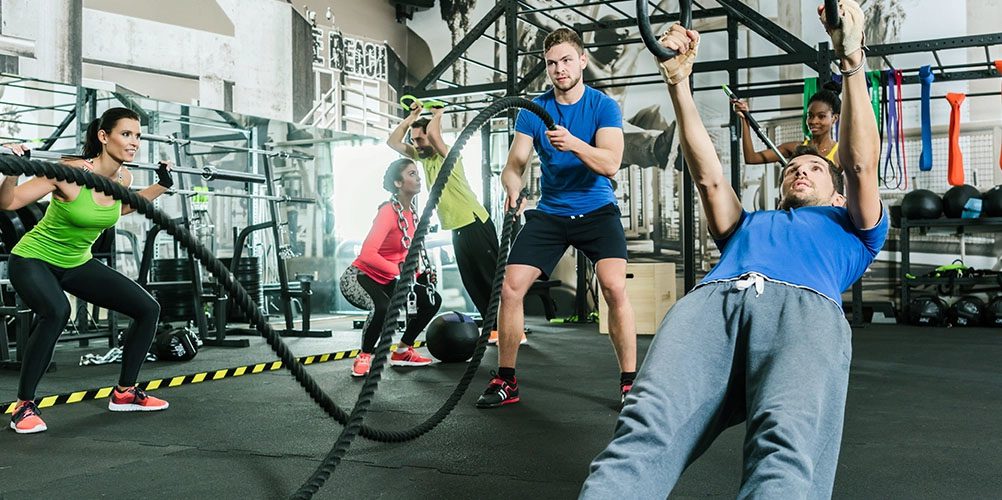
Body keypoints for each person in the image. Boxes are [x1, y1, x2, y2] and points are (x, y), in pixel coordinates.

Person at [581, 2, 887, 497]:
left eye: (815, 168)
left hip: (804, 312)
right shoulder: (748, 223)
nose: (800, 168)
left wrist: (851, 57)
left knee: (783, 450)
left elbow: (859, 165)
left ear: (836, 194)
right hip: (713, 303)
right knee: (641, 431)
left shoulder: (856, 225)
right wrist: (679, 83)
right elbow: (707, 174)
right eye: (794, 167)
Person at [476, 27, 637, 409]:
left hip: (598, 209)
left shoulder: (603, 106)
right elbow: (513, 165)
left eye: (566, 60)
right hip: (551, 212)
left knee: (613, 286)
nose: (559, 69)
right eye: (552, 63)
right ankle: (507, 380)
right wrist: (512, 185)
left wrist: (576, 144)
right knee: (511, 288)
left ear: (582, 60)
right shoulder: (535, 110)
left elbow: (612, 163)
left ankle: (630, 384)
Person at [3, 107, 175, 434]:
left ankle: (124, 393)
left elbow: (120, 208)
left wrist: (161, 186)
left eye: (137, 135)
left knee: (147, 308)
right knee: (56, 311)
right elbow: (10, 202)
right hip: (33, 259)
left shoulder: (124, 177)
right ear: (103, 137)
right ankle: (23, 407)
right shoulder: (69, 172)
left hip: (77, 262)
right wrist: (13, 171)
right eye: (126, 134)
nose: (134, 142)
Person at [386, 104, 517, 344]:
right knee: (472, 282)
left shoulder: (449, 155)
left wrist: (437, 114)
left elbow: (435, 136)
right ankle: (495, 329)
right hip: (457, 227)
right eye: (414, 141)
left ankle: (513, 331)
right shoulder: (423, 159)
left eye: (420, 139)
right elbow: (393, 142)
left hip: (475, 222)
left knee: (491, 279)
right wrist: (412, 117)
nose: (417, 144)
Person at [339, 158, 441, 377]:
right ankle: (364, 355)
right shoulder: (388, 211)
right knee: (382, 308)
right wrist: (400, 272)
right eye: (411, 174)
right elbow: (367, 254)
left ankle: (403, 350)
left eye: (417, 173)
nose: (418, 178)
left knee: (431, 300)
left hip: (387, 280)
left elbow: (402, 254)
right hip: (359, 277)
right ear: (398, 183)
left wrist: (419, 274)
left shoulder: (412, 214)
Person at [732, 85, 842, 166]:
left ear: (834, 118)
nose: (814, 121)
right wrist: (744, 119)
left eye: (821, 116)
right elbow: (752, 158)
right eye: (810, 116)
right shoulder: (795, 148)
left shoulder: (841, 153)